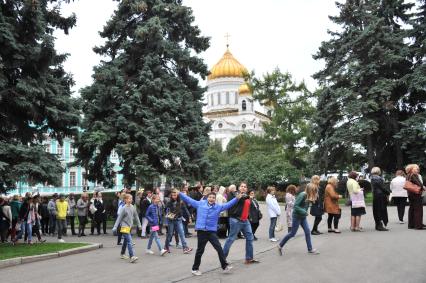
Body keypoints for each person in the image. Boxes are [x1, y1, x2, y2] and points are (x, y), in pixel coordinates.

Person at [179, 190, 239, 276]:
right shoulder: (200, 204)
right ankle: (195, 269)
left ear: (215, 199)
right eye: (210, 197)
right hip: (202, 231)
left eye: (213, 198)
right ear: (207, 198)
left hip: (211, 232)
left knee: (219, 248)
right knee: (200, 250)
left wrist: (236, 199)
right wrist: (180, 193)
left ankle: (225, 266)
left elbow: (228, 204)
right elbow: (189, 199)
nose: (211, 199)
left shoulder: (218, 207)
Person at [277, 183, 320, 256]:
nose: (315, 192)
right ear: (310, 190)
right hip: (297, 216)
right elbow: (296, 206)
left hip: (302, 217)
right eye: (314, 191)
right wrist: (304, 211)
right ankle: (280, 245)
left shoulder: (308, 195)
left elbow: (305, 205)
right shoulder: (302, 195)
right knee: (292, 233)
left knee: (307, 231)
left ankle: (310, 249)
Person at [223, 182, 260, 265]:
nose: (243, 188)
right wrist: (248, 196)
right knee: (231, 239)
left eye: (245, 187)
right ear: (238, 188)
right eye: (241, 186)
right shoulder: (235, 194)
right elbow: (241, 197)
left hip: (245, 221)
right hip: (235, 220)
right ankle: (223, 259)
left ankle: (249, 258)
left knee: (250, 238)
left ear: (247, 189)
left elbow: (248, 208)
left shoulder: (247, 197)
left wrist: (251, 216)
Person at [112, 194, 141, 263]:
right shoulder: (123, 208)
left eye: (131, 199)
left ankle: (122, 253)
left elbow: (136, 216)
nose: (130, 200)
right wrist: (115, 226)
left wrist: (139, 225)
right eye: (128, 199)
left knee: (126, 241)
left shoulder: (133, 207)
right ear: (125, 200)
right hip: (124, 226)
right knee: (129, 241)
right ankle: (132, 256)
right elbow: (119, 218)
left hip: (129, 226)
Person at [164, 189, 192, 254]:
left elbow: (185, 209)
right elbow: (166, 211)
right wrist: (167, 216)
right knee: (170, 234)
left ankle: (185, 248)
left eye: (175, 195)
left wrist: (189, 216)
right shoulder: (169, 202)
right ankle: (166, 247)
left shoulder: (181, 202)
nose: (174, 196)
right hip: (171, 220)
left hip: (178, 220)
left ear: (177, 195)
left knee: (182, 234)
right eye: (172, 195)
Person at [405, 164, 425, 230]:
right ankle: (418, 225)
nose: (418, 170)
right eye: (416, 168)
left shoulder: (408, 175)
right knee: (418, 209)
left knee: (412, 208)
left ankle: (411, 225)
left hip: (410, 193)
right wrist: (423, 187)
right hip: (416, 193)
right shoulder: (414, 175)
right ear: (412, 169)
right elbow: (419, 184)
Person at [371, 167, 391, 231]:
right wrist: (388, 192)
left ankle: (377, 225)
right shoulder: (378, 179)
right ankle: (380, 225)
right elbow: (382, 187)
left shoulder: (372, 178)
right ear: (378, 171)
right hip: (380, 196)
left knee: (376, 210)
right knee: (381, 210)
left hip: (376, 196)